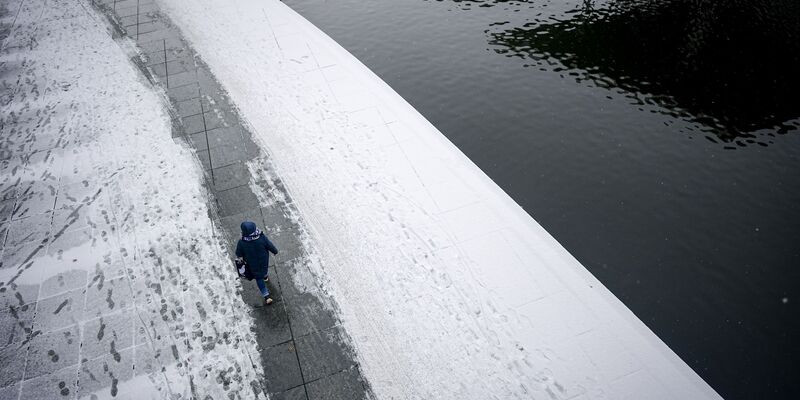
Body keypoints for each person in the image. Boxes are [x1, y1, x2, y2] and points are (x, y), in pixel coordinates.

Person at [236, 221, 278, 306]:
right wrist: (275, 251)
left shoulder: (241, 242)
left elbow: (238, 253)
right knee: (264, 269)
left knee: (259, 278)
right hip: (264, 260)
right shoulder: (261, 237)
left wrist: (240, 258)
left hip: (252, 264)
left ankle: (266, 296)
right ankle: (265, 276)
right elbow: (269, 245)